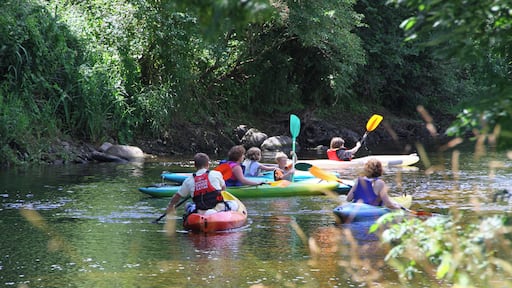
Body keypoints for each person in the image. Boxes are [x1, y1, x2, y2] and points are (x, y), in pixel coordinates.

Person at [165, 153, 237, 216]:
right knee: (234, 203)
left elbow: (177, 196)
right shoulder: (216, 174)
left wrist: (170, 206)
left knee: (188, 205)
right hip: (218, 208)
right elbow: (223, 189)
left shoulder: (188, 180)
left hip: (201, 210)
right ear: (208, 164)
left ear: (195, 165)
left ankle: (201, 214)